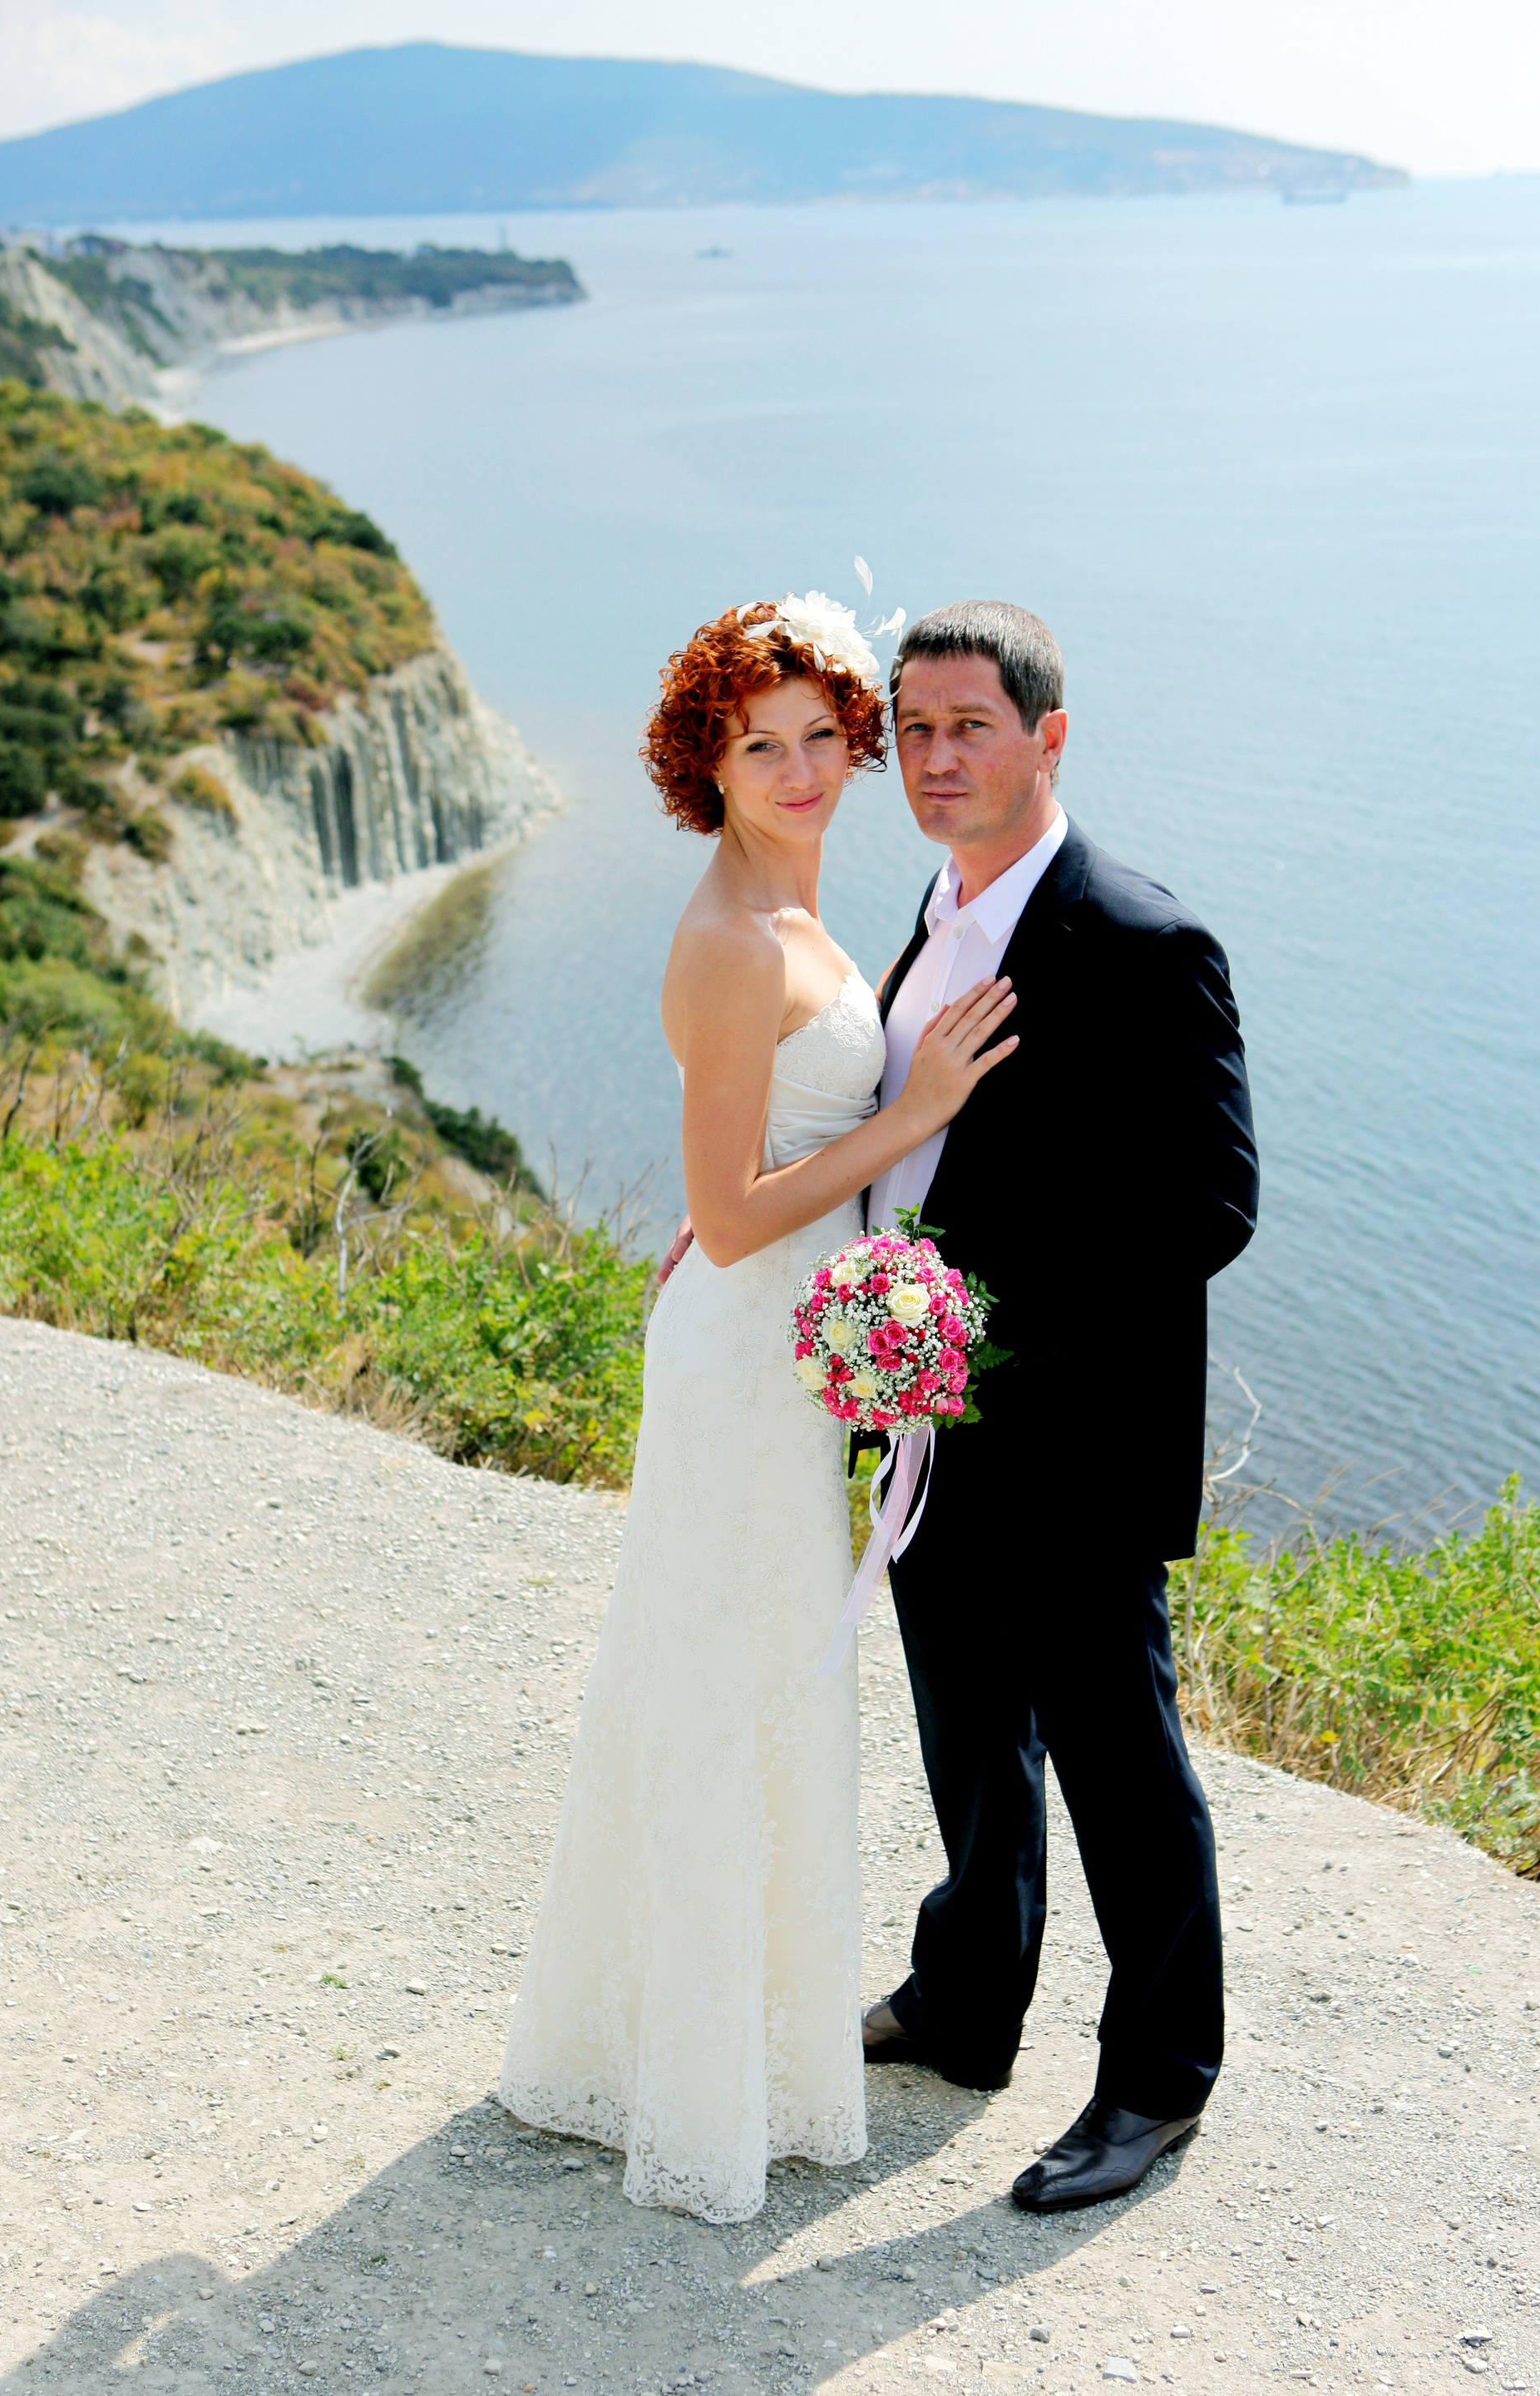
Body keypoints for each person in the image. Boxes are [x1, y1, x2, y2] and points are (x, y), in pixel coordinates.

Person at [499, 591, 1017, 2224]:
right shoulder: (732, 934)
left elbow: (743, 1164)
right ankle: (697, 2085)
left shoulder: (790, 901)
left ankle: (728, 2049)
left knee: (765, 1676)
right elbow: (731, 1220)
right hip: (743, 1361)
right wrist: (919, 1110)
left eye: (819, 739)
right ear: (705, 767)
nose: (799, 773)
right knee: (728, 1680)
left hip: (786, 1354)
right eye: (758, 747)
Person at [858, 600, 1259, 2213]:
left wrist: (978, 1308)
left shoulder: (1146, 941)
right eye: (914, 728)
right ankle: (969, 2003)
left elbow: (1212, 1203)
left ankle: (1159, 2080)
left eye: (970, 724)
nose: (935, 756)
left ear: (1049, 736)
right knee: (969, 1733)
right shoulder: (938, 908)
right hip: (925, 1416)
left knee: (1119, 1765)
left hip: (1075, 1443)